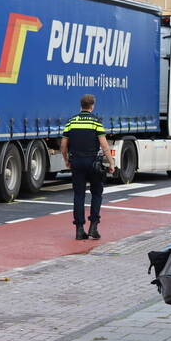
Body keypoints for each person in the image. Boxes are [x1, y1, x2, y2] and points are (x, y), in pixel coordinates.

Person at [61, 94, 115, 241]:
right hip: (93, 163)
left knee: (79, 195)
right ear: (92, 106)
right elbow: (104, 145)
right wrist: (111, 163)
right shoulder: (96, 122)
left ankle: (79, 229)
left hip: (77, 162)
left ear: (81, 105)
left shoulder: (72, 121)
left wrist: (66, 160)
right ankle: (93, 227)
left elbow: (63, 145)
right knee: (96, 194)